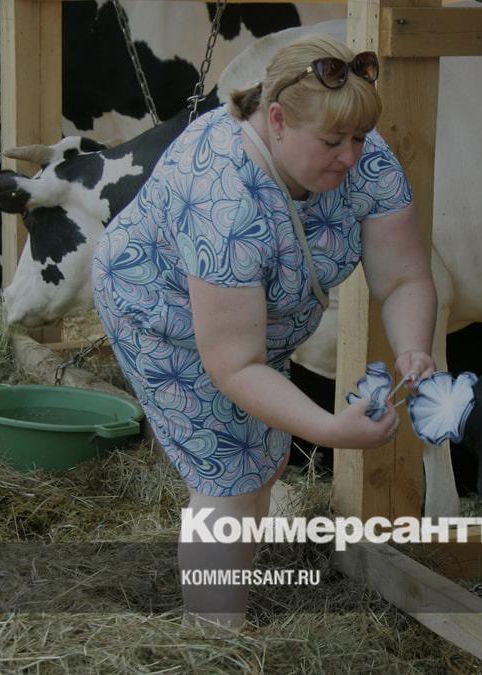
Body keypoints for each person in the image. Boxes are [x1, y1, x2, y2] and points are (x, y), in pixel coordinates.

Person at [91, 33, 436, 628]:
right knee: (227, 476)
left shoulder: (364, 156)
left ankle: (229, 594)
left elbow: (405, 277)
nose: (351, 155)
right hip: (162, 313)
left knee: (262, 459)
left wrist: (413, 348)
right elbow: (234, 364)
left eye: (358, 137)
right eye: (332, 142)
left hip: (258, 325)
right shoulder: (226, 199)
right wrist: (330, 430)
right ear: (276, 119)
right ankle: (215, 642)